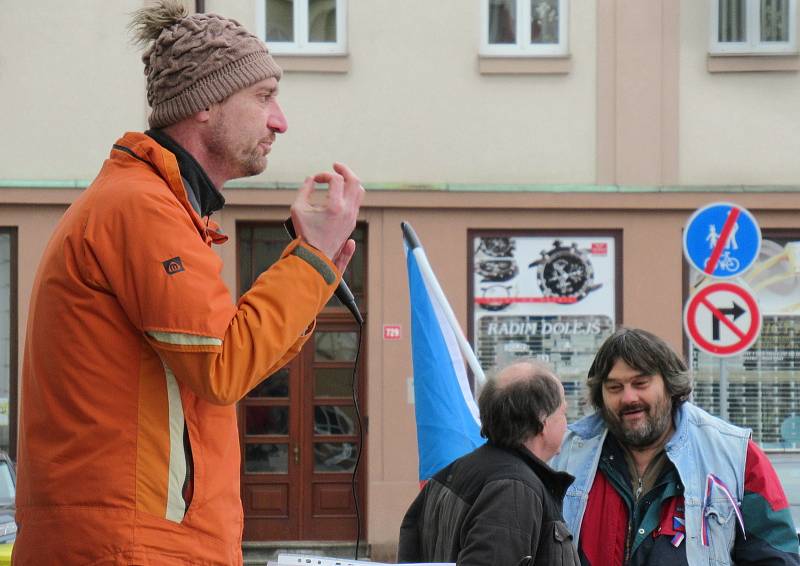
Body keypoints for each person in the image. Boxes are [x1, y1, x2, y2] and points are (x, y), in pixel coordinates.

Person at [13, 2, 364, 564]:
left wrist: (314, 267)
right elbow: (222, 363)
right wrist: (313, 257)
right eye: (264, 96)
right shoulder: (143, 208)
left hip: (137, 540)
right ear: (205, 104)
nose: (280, 120)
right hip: (131, 546)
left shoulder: (152, 206)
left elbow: (224, 364)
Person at [550, 328, 800, 566]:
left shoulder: (736, 455)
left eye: (641, 383)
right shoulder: (564, 455)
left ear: (670, 386)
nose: (628, 398)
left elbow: (776, 556)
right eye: (615, 387)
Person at [397, 360, 580, 566]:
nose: (567, 422)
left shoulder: (454, 472)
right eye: (563, 412)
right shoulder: (513, 489)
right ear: (543, 421)